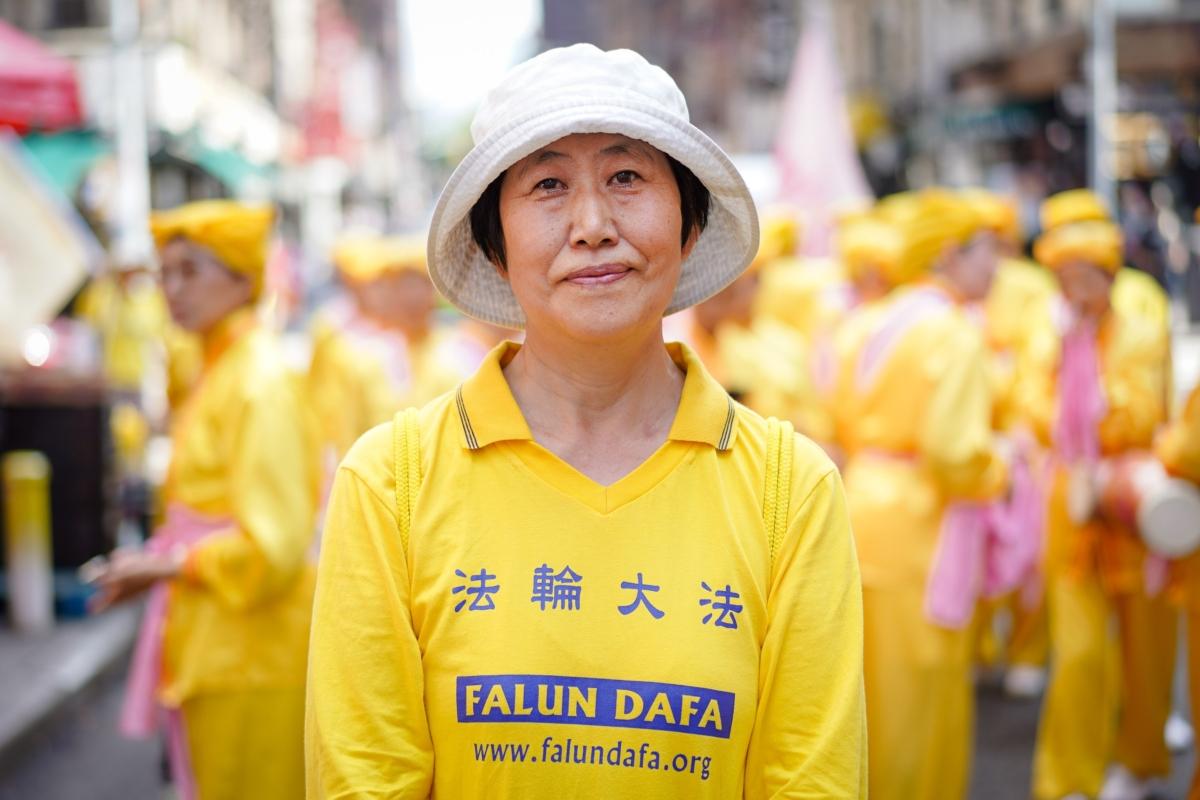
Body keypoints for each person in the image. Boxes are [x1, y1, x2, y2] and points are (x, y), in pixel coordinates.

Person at [306, 44, 866, 799]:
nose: (593, 224)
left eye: (627, 176)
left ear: (689, 222)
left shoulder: (789, 492)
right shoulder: (391, 484)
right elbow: (364, 780)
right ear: (494, 244)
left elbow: (812, 781)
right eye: (546, 184)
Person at [89, 200, 319, 800]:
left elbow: (274, 550)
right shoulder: (221, 369)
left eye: (190, 271)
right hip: (223, 645)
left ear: (244, 279)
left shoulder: (258, 380)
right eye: (166, 273)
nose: (171, 289)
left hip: (252, 655)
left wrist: (164, 564)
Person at [830, 189, 1014, 800]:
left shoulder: (871, 318)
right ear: (949, 254)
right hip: (921, 530)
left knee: (870, 698)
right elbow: (956, 454)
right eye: (986, 250)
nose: (997, 265)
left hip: (863, 508)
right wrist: (1003, 470)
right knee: (921, 703)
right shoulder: (953, 332)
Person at [1021, 192, 1173, 800]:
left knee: (1146, 645)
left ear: (1107, 273)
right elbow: (1029, 402)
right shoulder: (1049, 325)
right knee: (1079, 653)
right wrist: (1064, 357)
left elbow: (1145, 411)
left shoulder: (1141, 315)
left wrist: (1101, 401)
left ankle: (1140, 760)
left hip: (1132, 498)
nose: (1072, 287)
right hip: (1073, 501)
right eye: (1063, 276)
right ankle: (1068, 780)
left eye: (1082, 275)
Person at [308, 235, 468, 465]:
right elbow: (346, 437)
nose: (413, 296)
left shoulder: (456, 349)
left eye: (421, 283)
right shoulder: (364, 355)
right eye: (403, 285)